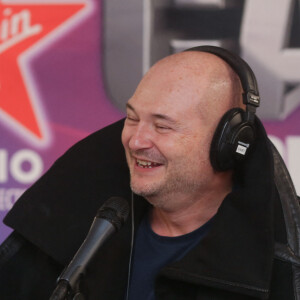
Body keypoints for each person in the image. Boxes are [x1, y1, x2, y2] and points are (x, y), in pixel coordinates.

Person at [0, 46, 299, 300]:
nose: (135, 140)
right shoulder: (81, 222)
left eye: (162, 126)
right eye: (132, 118)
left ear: (231, 142)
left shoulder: (287, 259)